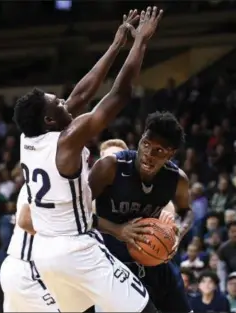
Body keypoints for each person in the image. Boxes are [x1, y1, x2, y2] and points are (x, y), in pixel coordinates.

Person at [14, 6, 163, 312]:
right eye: (57, 102)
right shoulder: (66, 142)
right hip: (77, 248)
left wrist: (115, 45)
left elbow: (80, 94)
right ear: (50, 120)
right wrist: (141, 42)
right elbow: (119, 96)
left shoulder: (29, 137)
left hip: (45, 254)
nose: (63, 100)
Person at [89, 111, 194, 313]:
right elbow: (74, 213)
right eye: (146, 144)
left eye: (159, 150)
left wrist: (178, 231)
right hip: (110, 259)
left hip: (153, 257)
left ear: (171, 154)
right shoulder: (110, 167)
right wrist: (117, 230)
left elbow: (186, 211)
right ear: (140, 139)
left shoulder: (176, 179)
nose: (149, 154)